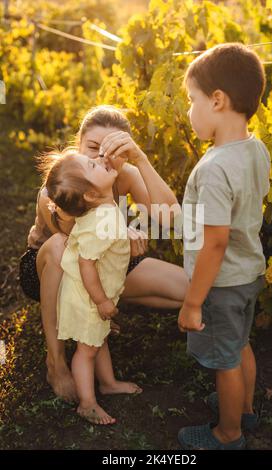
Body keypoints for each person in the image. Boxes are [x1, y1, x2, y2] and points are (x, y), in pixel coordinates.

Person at [19, 105, 188, 402]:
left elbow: (170, 218)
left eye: (114, 149)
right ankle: (55, 362)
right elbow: (75, 239)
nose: (101, 157)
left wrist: (141, 160)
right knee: (60, 247)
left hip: (106, 262)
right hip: (52, 267)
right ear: (78, 143)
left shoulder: (126, 173)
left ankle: (101, 310)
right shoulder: (57, 188)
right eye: (93, 147)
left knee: (187, 288)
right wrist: (123, 231)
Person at [177, 43, 270, 450]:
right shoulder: (256, 149)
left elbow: (215, 242)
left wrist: (193, 301)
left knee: (225, 360)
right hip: (249, 273)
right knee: (240, 343)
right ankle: (245, 408)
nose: (188, 110)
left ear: (217, 100)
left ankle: (228, 434)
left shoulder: (214, 169)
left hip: (221, 283)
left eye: (191, 100)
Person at [38, 148, 142, 425]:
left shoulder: (103, 209)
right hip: (88, 297)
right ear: (90, 196)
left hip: (92, 293)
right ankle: (87, 403)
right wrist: (101, 301)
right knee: (87, 351)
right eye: (92, 165)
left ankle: (107, 383)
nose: (99, 160)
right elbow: (86, 264)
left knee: (98, 340)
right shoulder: (101, 220)